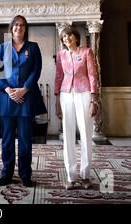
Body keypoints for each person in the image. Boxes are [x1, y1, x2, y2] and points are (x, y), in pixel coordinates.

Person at [0, 15, 47, 187]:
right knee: (7, 138)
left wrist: (24, 89)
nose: (18, 27)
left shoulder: (33, 47)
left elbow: (36, 71)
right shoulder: (2, 48)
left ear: (25, 28)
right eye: (16, 24)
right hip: (6, 99)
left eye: (22, 25)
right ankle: (6, 173)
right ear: (11, 28)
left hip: (26, 98)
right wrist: (8, 89)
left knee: (25, 138)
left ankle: (25, 174)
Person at [54, 26, 98, 190]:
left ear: (76, 37)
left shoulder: (86, 52)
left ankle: (85, 175)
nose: (67, 38)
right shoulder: (61, 55)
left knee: (86, 135)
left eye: (69, 35)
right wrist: (57, 99)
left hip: (84, 93)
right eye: (64, 37)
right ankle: (71, 176)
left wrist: (94, 100)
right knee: (68, 136)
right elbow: (59, 76)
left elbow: (93, 75)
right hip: (66, 95)